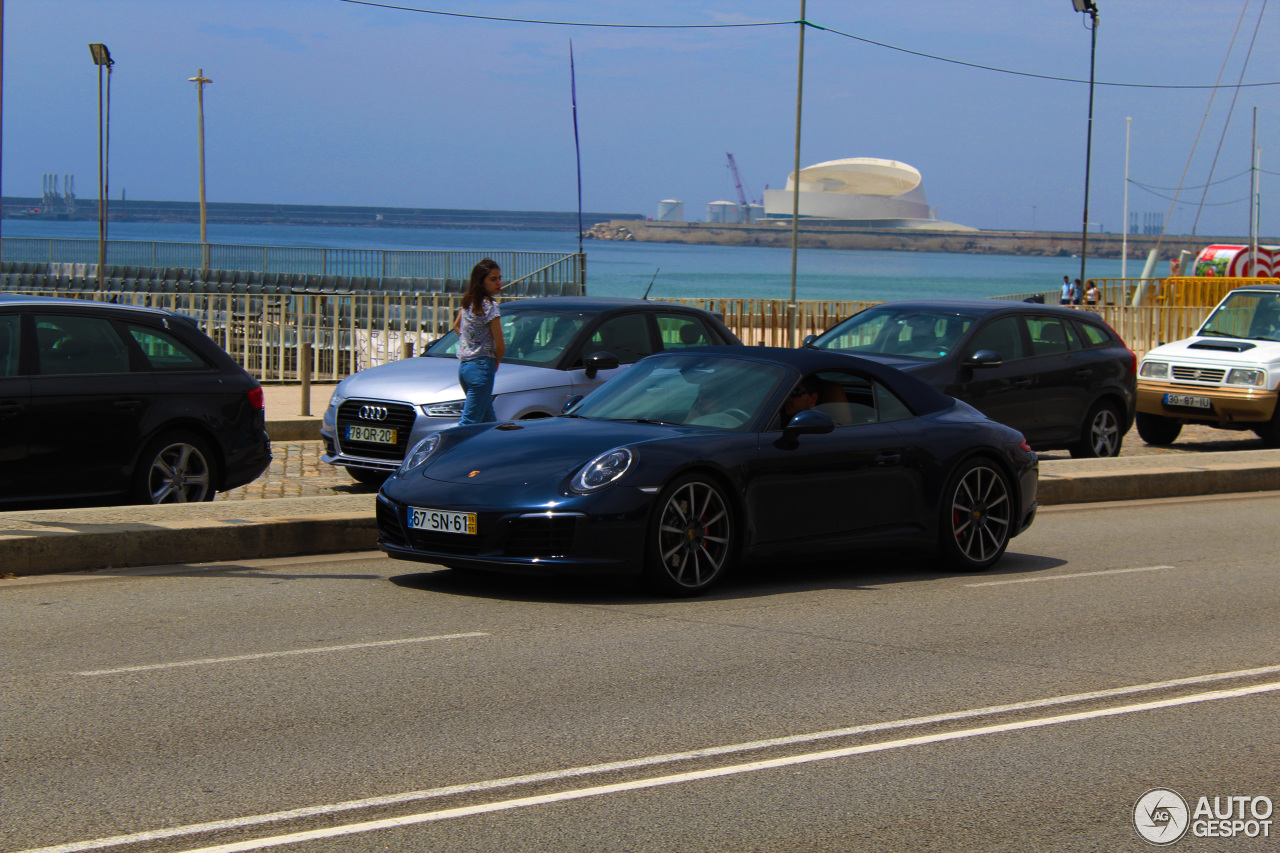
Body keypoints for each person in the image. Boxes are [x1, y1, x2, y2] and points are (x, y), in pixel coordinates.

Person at [453, 258, 505, 425]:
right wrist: (495, 361)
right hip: (482, 366)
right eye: (493, 279)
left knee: (488, 422)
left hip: (465, 367)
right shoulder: (490, 306)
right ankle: (450, 451)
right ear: (481, 282)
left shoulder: (468, 302)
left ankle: (495, 451)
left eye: (499, 278)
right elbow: (500, 343)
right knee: (468, 424)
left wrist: (470, 344)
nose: (499, 282)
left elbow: (456, 326)